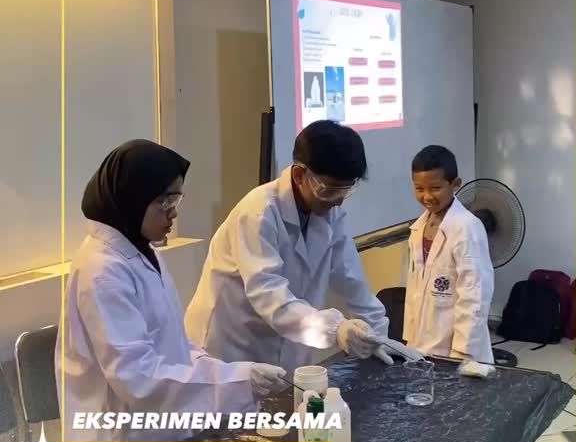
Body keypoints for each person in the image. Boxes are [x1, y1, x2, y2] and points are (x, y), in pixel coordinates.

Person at [55, 140, 288, 442]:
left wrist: (232, 373)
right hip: (120, 438)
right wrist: (238, 381)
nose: (173, 214)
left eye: (176, 200)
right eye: (165, 202)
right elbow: (137, 378)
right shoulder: (103, 271)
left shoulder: (142, 252)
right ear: (133, 199)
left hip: (157, 425)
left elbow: (173, 343)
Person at [185, 121, 392, 375]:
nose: (338, 201)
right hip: (233, 346)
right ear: (299, 175)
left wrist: (380, 336)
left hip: (283, 345)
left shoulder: (330, 211)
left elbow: (351, 277)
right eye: (330, 189)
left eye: (345, 190)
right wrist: (334, 329)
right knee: (236, 399)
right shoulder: (258, 213)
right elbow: (269, 294)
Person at [403, 145, 494, 364]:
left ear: (455, 184)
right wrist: (409, 340)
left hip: (456, 350)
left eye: (435, 188)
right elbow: (414, 293)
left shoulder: (467, 228)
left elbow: (474, 296)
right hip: (421, 345)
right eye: (419, 188)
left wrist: (462, 354)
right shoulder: (418, 228)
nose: (427, 196)